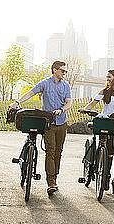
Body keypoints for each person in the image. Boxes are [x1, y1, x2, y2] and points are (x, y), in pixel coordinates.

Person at [9, 61, 71, 195]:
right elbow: (31, 93)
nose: (64, 73)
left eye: (65, 71)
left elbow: (68, 103)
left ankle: (55, 176)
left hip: (61, 122)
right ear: (55, 70)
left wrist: (61, 109)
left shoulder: (66, 86)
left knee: (58, 152)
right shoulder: (45, 83)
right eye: (62, 71)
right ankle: (51, 182)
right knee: (50, 150)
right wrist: (17, 102)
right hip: (48, 122)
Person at [79, 69, 114, 195]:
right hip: (106, 122)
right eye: (107, 77)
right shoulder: (104, 92)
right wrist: (84, 109)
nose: (107, 79)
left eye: (109, 77)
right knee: (109, 152)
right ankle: (106, 177)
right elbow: (92, 104)